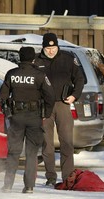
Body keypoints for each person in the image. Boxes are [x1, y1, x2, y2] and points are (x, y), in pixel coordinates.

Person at [0, 46, 55, 193]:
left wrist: (7, 112)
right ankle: (29, 186)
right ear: (33, 59)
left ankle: (7, 185)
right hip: (34, 117)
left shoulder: (12, 74)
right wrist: (46, 113)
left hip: (16, 117)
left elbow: (3, 96)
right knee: (31, 153)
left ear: (20, 58)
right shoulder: (39, 75)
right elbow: (50, 96)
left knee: (13, 152)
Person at [34, 33, 85, 186]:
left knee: (66, 142)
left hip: (63, 104)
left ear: (58, 46)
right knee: (47, 143)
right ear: (43, 48)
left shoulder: (68, 59)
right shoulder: (36, 61)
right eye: (48, 48)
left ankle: (68, 176)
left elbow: (80, 79)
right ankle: (50, 176)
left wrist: (74, 96)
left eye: (53, 47)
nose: (51, 51)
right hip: (44, 106)